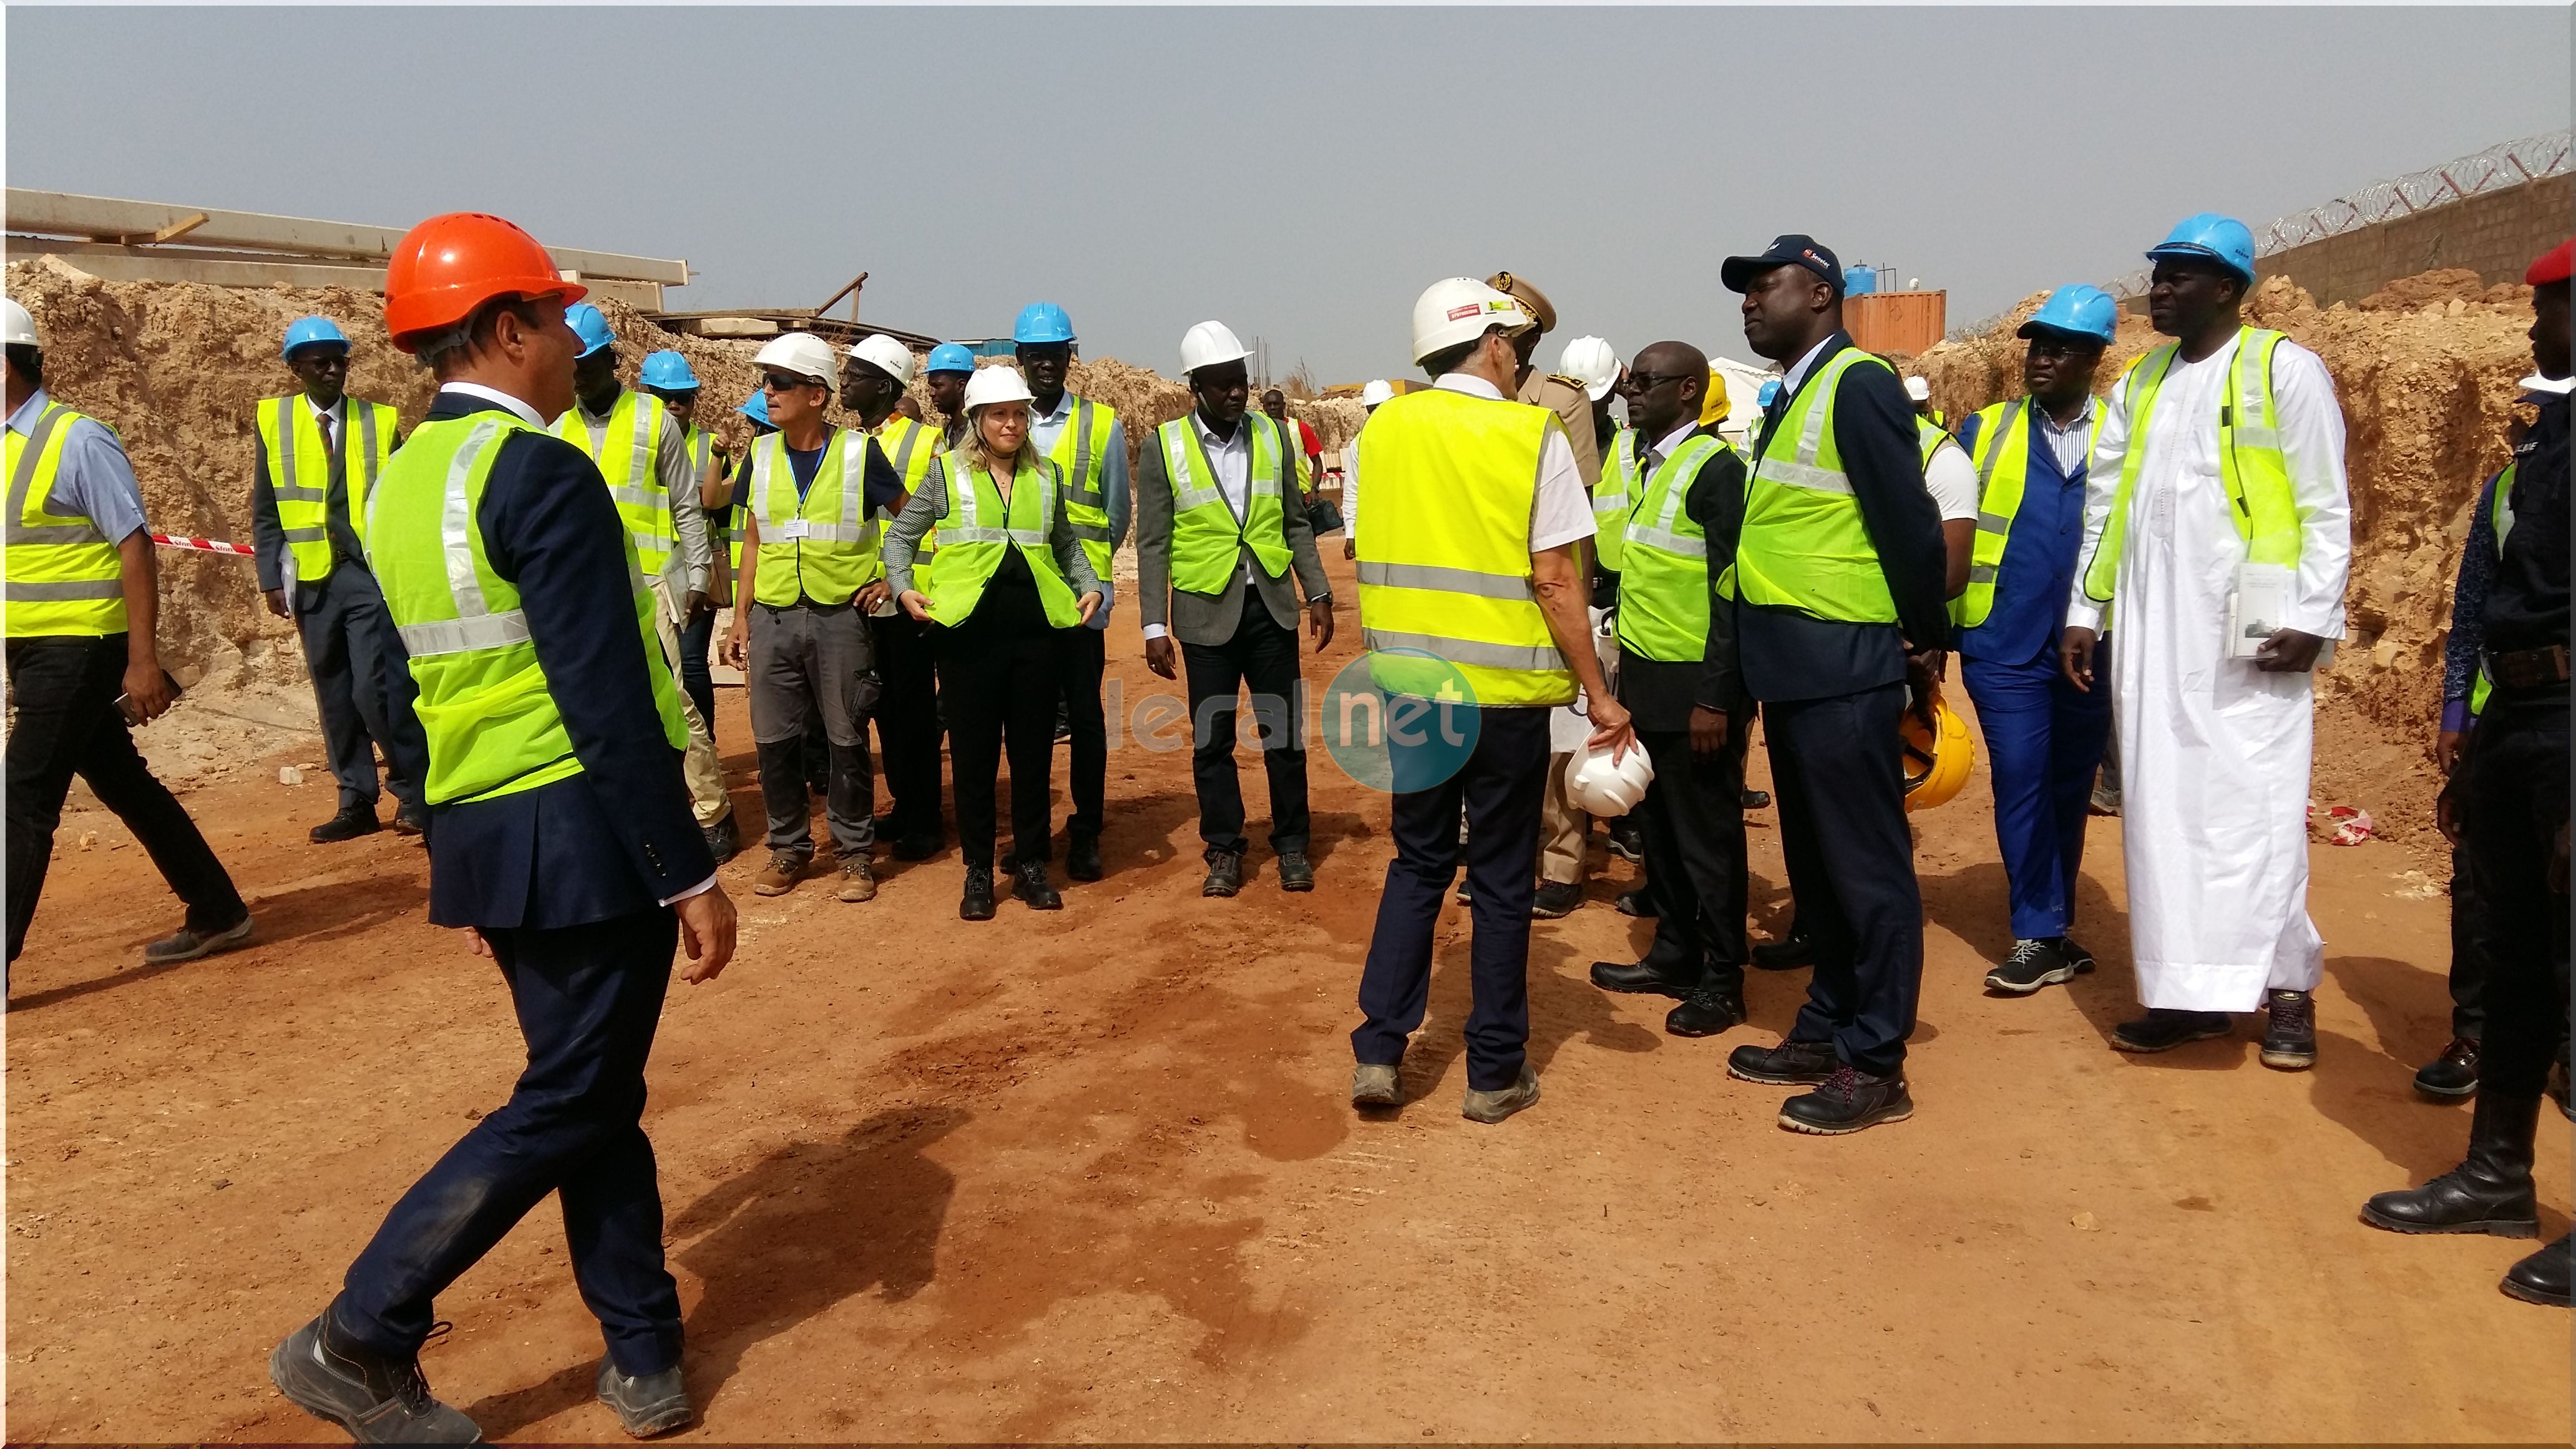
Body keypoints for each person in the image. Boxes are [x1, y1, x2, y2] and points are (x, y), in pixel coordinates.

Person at [266, 212, 736, 1442]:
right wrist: (686, 872)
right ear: (508, 328)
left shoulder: (400, 480)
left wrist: (459, 860)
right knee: (574, 1096)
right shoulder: (542, 471)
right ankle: (360, 1333)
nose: (574, 338)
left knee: (595, 1091)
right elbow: (605, 696)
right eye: (556, 317)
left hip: (495, 834)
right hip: (584, 836)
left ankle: (642, 1347)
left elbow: (402, 696)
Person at [2061, 214, 2351, 1069]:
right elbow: (2104, 509)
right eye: (2157, 273)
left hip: (2252, 631)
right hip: (2153, 632)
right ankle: (2191, 993)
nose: (2159, 287)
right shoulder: (2140, 384)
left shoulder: (2285, 370)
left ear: (2228, 286)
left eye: (2180, 275)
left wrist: (2317, 616)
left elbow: (2326, 503)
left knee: (2253, 813)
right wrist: (2087, 609)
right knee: (2163, 815)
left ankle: (2288, 988)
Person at [1348, 278, 1634, 1125]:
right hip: (1505, 699)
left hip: (1412, 689)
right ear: (1496, 347)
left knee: (1418, 862)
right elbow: (1555, 578)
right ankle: (1493, 1073)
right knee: (1503, 879)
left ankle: (1378, 1053)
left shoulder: (1384, 429)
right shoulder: (1529, 433)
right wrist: (1598, 693)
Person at [2360, 238, 2572, 1309]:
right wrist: (2470, 717)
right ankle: (2496, 1175)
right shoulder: (2537, 458)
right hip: (2520, 715)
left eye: (2551, 308)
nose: (2533, 329)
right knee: (2512, 954)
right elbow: (2485, 604)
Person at [1716, 234, 1948, 1135]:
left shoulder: (1858, 383)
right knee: (1819, 869)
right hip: (1797, 666)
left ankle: (1876, 1059)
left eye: (1763, 285)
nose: (1747, 300)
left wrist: (1927, 642)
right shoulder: (1798, 391)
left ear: (1817, 293)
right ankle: (1826, 1024)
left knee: (1866, 868)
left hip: (1845, 664)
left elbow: (1911, 526)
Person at [5, 297, 252, 979]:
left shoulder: (77, 439)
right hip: (31, 650)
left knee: (22, 798)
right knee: (124, 784)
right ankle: (218, 908)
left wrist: (144, 661)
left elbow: (136, 546)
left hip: (80, 647)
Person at [885, 366, 1103, 919]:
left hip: (1035, 637)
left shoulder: (1046, 475)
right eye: (999, 414)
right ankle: (978, 871)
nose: (1011, 424)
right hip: (966, 638)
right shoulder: (945, 475)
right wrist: (904, 589)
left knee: (1031, 756)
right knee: (975, 758)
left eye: (1019, 414)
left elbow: (1064, 543)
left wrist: (1091, 586)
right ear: (979, 420)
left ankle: (1032, 866)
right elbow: (901, 537)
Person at [1950, 286, 2119, 995]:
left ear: (2094, 358)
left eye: (2060, 349)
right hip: (2004, 642)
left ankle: (2055, 923)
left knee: (2069, 784)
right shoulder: (1983, 432)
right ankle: (2037, 931)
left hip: (2097, 644)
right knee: (2021, 775)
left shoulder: (2126, 433)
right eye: (2036, 347)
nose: (2041, 360)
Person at [1585, 341, 1755, 1039]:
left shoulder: (1715, 472)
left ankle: (1722, 979)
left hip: (1697, 691)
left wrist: (1715, 697)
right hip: (1647, 679)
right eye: (1630, 381)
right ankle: (1675, 954)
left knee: (1707, 838)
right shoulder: (1649, 466)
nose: (1631, 392)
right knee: (1658, 833)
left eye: (1646, 382)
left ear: (1688, 390)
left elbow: (1733, 594)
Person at [1139, 322, 1335, 895]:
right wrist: (1155, 625)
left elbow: (1297, 524)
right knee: (1213, 741)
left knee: (1284, 736)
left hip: (1271, 609)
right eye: (1221, 384)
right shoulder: (1164, 446)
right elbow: (1153, 542)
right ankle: (1223, 849)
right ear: (1195, 387)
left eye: (1240, 382)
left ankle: (1293, 845)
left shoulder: (1275, 437)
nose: (1234, 393)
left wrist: (1317, 591)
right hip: (1204, 615)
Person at [718, 333, 903, 904]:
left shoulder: (857, 454)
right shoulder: (763, 454)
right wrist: (740, 617)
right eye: (766, 382)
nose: (767, 392)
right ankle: (789, 848)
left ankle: (853, 855)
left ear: (817, 395)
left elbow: (912, 521)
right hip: (773, 619)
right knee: (775, 741)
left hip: (839, 618)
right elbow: (752, 538)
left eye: (780, 383)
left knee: (847, 738)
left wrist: (892, 580)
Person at [552, 305, 738, 863]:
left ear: (612, 359)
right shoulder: (555, 426)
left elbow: (687, 504)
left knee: (674, 703)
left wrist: (698, 577)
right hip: (581, 589)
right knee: (587, 706)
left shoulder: (653, 420)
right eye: (570, 363)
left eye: (586, 362)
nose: (577, 374)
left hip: (652, 585)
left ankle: (712, 813)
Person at [249, 314, 431, 843]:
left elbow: (398, 500)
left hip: (366, 575)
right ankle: (356, 799)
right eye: (320, 362)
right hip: (309, 577)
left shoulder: (378, 420)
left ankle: (413, 791)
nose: (333, 370)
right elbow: (266, 507)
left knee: (379, 690)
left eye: (340, 360)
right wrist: (269, 577)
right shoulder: (274, 421)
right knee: (333, 692)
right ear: (295, 368)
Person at [1488, 272, 1610, 919]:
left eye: (1508, 323)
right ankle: (1494, 855)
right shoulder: (1463, 401)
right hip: (1482, 588)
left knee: (1559, 736)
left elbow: (1578, 507)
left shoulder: (1559, 402)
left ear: (1529, 335)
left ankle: (1561, 862)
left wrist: (1576, 598)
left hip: (1548, 580)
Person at [1014, 303, 1128, 881]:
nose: (1046, 364)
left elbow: (1116, 513)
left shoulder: (1101, 423)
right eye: (1036, 356)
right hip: (1019, 603)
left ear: (1069, 358)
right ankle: (1031, 835)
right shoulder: (999, 418)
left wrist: (1092, 579)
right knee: (1027, 723)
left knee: (1084, 721)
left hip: (1081, 602)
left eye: (1056, 354)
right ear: (1019, 360)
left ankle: (1086, 831)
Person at [841, 333, 949, 861]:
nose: (844, 382)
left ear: (883, 386)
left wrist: (896, 578)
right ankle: (908, 806)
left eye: (854, 375)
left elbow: (936, 528)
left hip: (909, 603)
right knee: (884, 711)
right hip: (864, 604)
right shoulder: (850, 443)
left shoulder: (926, 443)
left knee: (912, 714)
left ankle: (927, 820)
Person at [640, 349, 723, 739]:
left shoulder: (709, 447)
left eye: (683, 397)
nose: (673, 404)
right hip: (645, 571)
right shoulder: (635, 441)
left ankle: (705, 746)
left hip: (690, 569)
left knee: (690, 664)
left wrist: (702, 571)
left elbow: (718, 507)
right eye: (663, 396)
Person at [1339, 378, 1393, 562]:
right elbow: (1352, 490)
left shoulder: (1413, 433)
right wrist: (1351, 533)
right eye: (1374, 408)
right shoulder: (1360, 443)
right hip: (1376, 530)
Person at [925, 343, 975, 450]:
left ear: (961, 386)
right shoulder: (949, 431)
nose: (931, 393)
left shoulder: (979, 432)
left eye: (938, 386)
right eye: (931, 386)